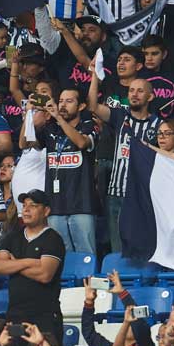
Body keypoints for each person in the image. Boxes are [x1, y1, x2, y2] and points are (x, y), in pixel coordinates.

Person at [88, 64, 161, 253]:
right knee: (117, 250)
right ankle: (117, 281)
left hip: (142, 195)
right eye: (131, 91)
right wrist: (95, 75)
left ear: (150, 97)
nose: (134, 94)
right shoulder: (120, 115)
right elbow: (93, 106)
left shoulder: (159, 125)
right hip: (116, 194)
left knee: (141, 247)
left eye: (140, 91)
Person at [0, 189, 66, 346]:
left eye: (33, 206)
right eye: (24, 205)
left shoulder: (53, 239)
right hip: (15, 315)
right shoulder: (12, 237)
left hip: (45, 317)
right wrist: (31, 262)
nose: (26, 209)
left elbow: (44, 274)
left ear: (46, 211)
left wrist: (14, 264)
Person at [35, 89, 99, 253]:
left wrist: (58, 118)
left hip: (82, 205)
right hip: (55, 206)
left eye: (69, 101)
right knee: (60, 256)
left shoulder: (88, 125)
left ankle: (87, 281)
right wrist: (30, 113)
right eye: (61, 100)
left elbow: (81, 143)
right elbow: (23, 143)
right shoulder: (50, 129)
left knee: (86, 255)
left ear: (81, 106)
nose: (62, 105)